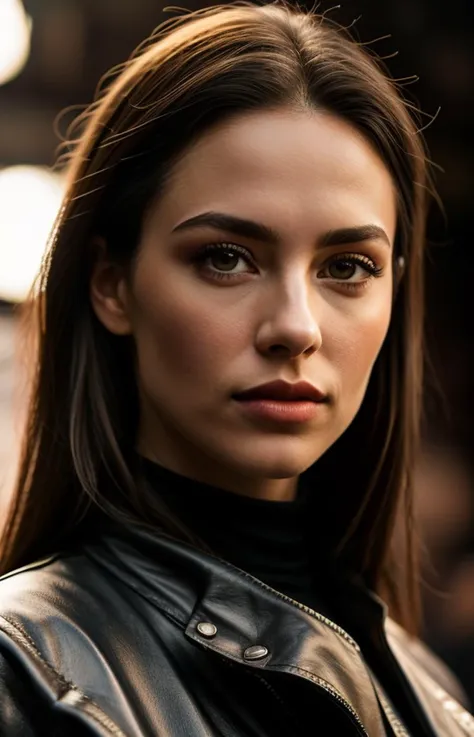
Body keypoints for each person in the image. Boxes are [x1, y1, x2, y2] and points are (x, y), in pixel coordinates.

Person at [0, 2, 471, 735]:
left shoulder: (429, 690)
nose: (296, 326)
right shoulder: (26, 675)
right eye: (226, 257)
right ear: (111, 283)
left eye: (347, 266)